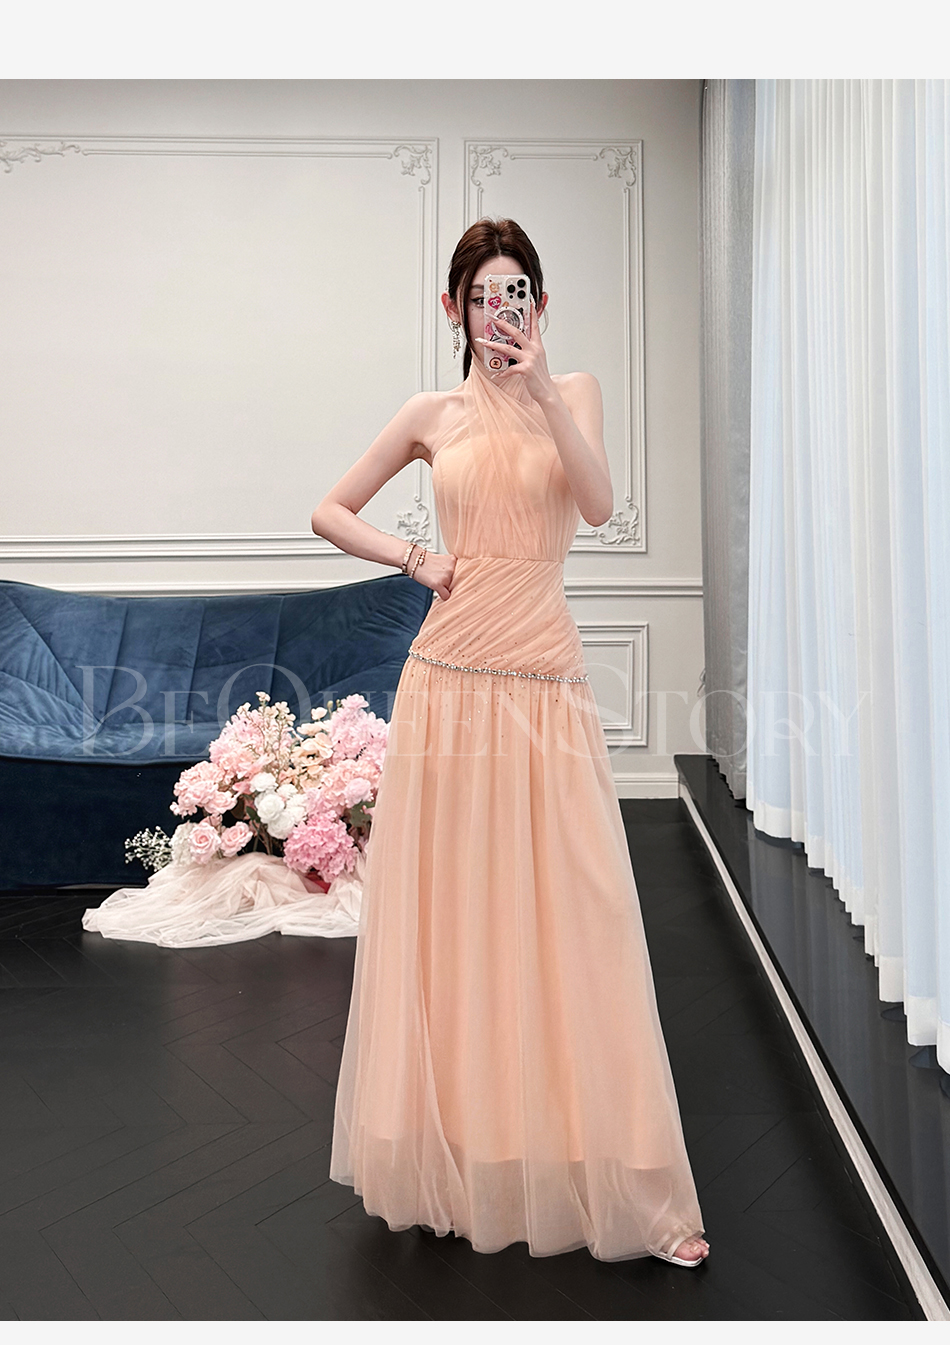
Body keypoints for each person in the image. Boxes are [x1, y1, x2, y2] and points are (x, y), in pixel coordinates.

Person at [312, 218, 709, 1267]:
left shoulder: (571, 390)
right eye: (484, 295)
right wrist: (414, 558)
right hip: (448, 679)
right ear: (454, 308)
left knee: (576, 906)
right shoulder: (429, 414)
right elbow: (328, 510)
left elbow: (600, 504)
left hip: (543, 678)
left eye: (517, 291)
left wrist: (541, 394)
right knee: (457, 911)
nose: (501, 310)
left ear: (539, 303)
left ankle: (616, 1177)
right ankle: (462, 1153)